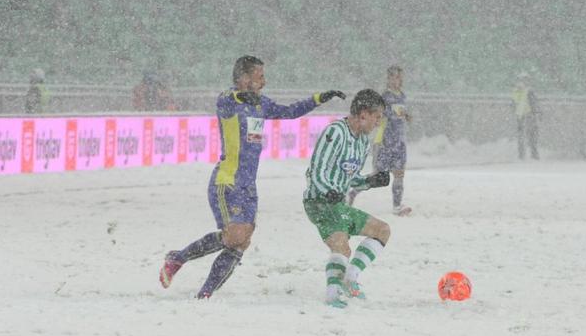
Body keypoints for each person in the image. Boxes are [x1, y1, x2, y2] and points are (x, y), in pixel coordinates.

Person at [159, 55, 345, 298]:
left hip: (249, 185)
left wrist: (319, 98)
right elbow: (228, 97)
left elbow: (290, 112)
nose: (264, 82)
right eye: (260, 77)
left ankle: (204, 294)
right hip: (227, 181)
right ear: (244, 78)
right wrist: (241, 95)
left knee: (241, 241)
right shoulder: (228, 101)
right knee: (234, 235)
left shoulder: (261, 104)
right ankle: (178, 257)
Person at [303, 89, 392, 308]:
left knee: (382, 230)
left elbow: (350, 180)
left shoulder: (362, 142)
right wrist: (329, 190)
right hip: (319, 202)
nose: (378, 123)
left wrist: (370, 181)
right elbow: (316, 171)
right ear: (363, 114)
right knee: (341, 246)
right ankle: (333, 294)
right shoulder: (335, 132)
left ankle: (350, 279)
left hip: (337, 204)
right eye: (376, 117)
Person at [347, 65, 412, 216]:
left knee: (399, 173)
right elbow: (381, 115)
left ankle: (397, 206)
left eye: (399, 77)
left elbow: (400, 114)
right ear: (389, 78)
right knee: (378, 177)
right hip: (385, 140)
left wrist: (406, 116)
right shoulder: (385, 97)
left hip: (399, 140)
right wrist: (392, 114)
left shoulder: (402, 96)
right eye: (394, 77)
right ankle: (353, 191)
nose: (397, 80)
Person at [511, 72, 541, 160]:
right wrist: (537, 113)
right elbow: (534, 103)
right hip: (528, 115)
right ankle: (532, 154)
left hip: (521, 115)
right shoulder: (529, 90)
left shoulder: (516, 91)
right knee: (531, 135)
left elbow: (514, 103)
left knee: (523, 136)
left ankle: (523, 155)